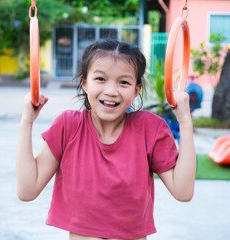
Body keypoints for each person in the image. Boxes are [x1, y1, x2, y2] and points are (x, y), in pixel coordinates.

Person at [16, 39, 196, 240]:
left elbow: (183, 191)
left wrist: (185, 122)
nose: (111, 91)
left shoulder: (150, 128)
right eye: (100, 79)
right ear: (84, 83)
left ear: (136, 90)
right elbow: (27, 190)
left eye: (124, 82)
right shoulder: (68, 126)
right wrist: (26, 123)